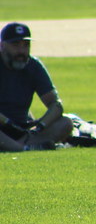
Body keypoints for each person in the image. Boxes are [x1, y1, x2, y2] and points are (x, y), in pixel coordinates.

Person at [0, 22, 74, 151]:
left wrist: (39, 127)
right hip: (3, 127)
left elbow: (55, 105)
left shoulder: (33, 66)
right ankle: (24, 148)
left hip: (23, 129)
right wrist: (7, 122)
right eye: (15, 45)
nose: (21, 51)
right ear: (2, 46)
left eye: (26, 45)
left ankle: (20, 146)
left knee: (65, 123)